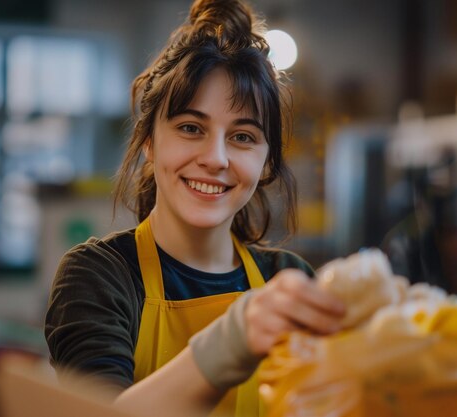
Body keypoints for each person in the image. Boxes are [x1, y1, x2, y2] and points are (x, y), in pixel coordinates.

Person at [45, 0, 346, 416]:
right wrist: (232, 344)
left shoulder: (289, 281)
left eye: (242, 137)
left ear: (267, 161)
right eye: (191, 128)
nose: (216, 158)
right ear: (149, 140)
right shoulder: (100, 276)